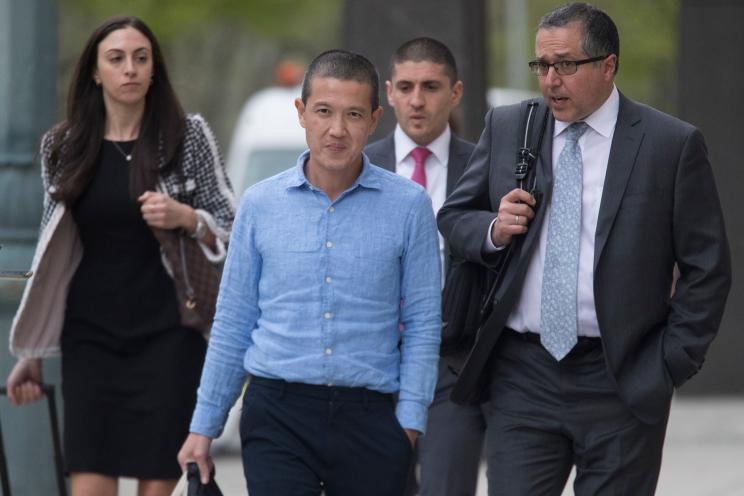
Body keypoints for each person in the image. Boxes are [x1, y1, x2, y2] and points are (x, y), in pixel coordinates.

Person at [437, 3, 731, 494]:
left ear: (608, 65)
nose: (551, 80)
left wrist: (668, 363)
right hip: (522, 374)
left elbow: (707, 268)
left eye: (566, 65)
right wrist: (493, 229)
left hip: (621, 376)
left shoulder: (669, 145)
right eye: (542, 66)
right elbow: (454, 217)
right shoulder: (512, 127)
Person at [178, 49, 442, 496]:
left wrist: (410, 424)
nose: (337, 129)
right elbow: (234, 322)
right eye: (323, 111)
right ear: (301, 113)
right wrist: (204, 427)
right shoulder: (259, 206)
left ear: (375, 118)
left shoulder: (409, 207)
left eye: (353, 114)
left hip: (373, 418)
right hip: (277, 413)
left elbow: (422, 323)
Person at [5, 16, 236, 496]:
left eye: (140, 58)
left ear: (154, 69)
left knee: (156, 485)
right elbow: (52, 258)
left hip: (170, 336)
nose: (130, 69)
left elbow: (233, 228)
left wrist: (186, 217)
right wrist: (33, 350)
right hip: (91, 338)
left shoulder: (186, 137)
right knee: (89, 485)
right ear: (95, 72)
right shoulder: (64, 146)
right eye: (116, 59)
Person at [365, 37, 483, 496]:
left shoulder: (484, 166)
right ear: (389, 93)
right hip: (372, 363)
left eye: (431, 87)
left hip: (451, 368)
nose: (417, 100)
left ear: (454, 93)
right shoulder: (359, 166)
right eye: (407, 87)